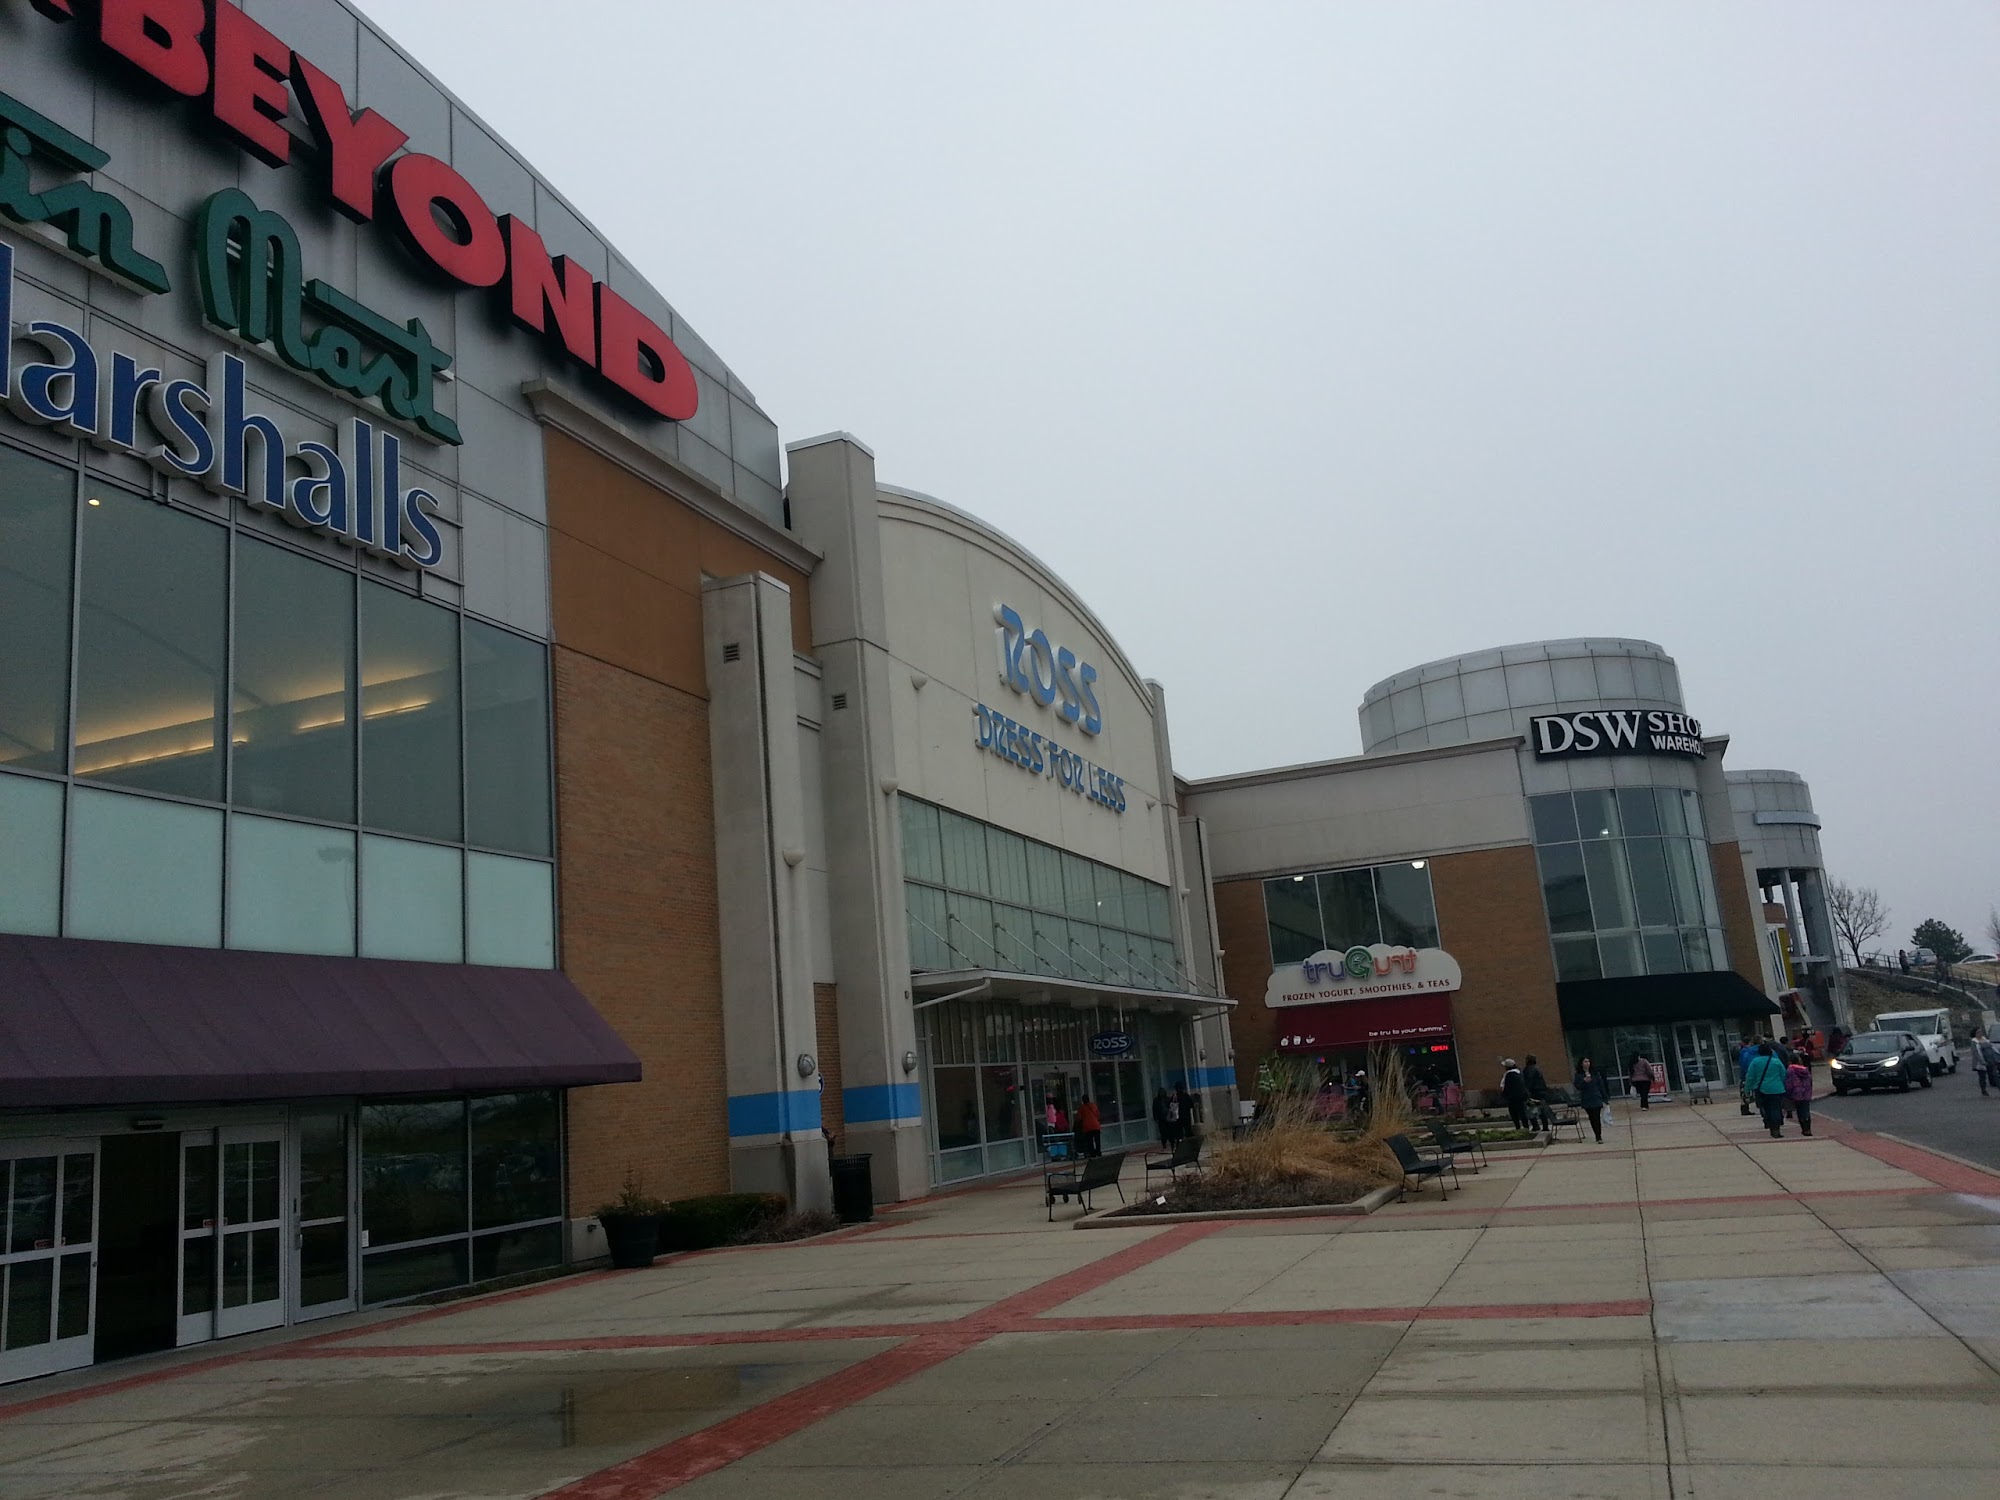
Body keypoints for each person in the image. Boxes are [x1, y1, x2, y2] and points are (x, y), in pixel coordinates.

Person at [1744, 1042, 1789, 1138]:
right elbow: (1784, 1075)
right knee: (1776, 1108)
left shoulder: (1755, 1062)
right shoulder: (1776, 1062)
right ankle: (1776, 1128)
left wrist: (1747, 1089)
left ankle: (1769, 1123)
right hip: (1777, 1089)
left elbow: (1750, 1076)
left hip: (1761, 1089)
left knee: (1766, 1108)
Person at [1574, 1057, 1609, 1143]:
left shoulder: (1595, 1073)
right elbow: (1578, 1086)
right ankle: (1596, 1133)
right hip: (1586, 1098)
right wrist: (1584, 1081)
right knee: (1592, 1118)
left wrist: (1605, 1098)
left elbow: (1601, 1086)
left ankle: (1598, 1136)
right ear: (1581, 1063)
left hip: (1596, 1097)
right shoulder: (1578, 1074)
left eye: (1588, 1061)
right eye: (1585, 1062)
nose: (1587, 1063)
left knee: (1596, 1117)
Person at [1783, 1051, 1814, 1137]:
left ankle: (1804, 1128)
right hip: (1806, 1094)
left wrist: (1787, 1093)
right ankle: (1808, 1128)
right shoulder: (1805, 1070)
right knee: (1806, 1111)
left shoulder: (1790, 1070)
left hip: (1796, 1094)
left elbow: (1789, 1084)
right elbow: (1810, 1082)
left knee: (1800, 1112)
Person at [1523, 1054, 1555, 1132]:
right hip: (1541, 1092)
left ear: (1527, 1060)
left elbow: (1528, 1082)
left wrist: (1527, 1092)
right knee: (1541, 1110)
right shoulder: (1537, 1068)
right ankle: (1545, 1126)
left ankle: (1535, 1126)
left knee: (1531, 1110)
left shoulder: (1529, 1070)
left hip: (1534, 1093)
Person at [1500, 1059, 1531, 1131]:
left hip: (1512, 1098)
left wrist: (1504, 1095)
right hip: (1522, 1096)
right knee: (1522, 1112)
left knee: (1514, 1113)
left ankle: (1518, 1127)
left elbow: (1506, 1087)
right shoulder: (1519, 1073)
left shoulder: (1509, 1075)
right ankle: (1526, 1127)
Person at [1075, 1093, 1102, 1158]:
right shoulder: (1094, 1105)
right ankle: (1098, 1152)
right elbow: (1098, 1115)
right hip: (1096, 1125)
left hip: (1087, 1127)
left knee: (1090, 1141)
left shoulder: (1082, 1108)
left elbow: (1079, 1118)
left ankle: (1092, 1153)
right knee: (1097, 1140)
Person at [1974, 1030, 2000, 1098]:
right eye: (1978, 1032)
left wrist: (1997, 1057)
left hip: (1991, 1061)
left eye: (1980, 1032)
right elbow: (1976, 1053)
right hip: (1982, 1062)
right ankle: (1983, 1090)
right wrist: (1982, 1061)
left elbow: (1993, 1048)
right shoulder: (1974, 1042)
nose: (1980, 1033)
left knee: (1995, 1075)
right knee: (1982, 1077)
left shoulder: (1985, 1040)